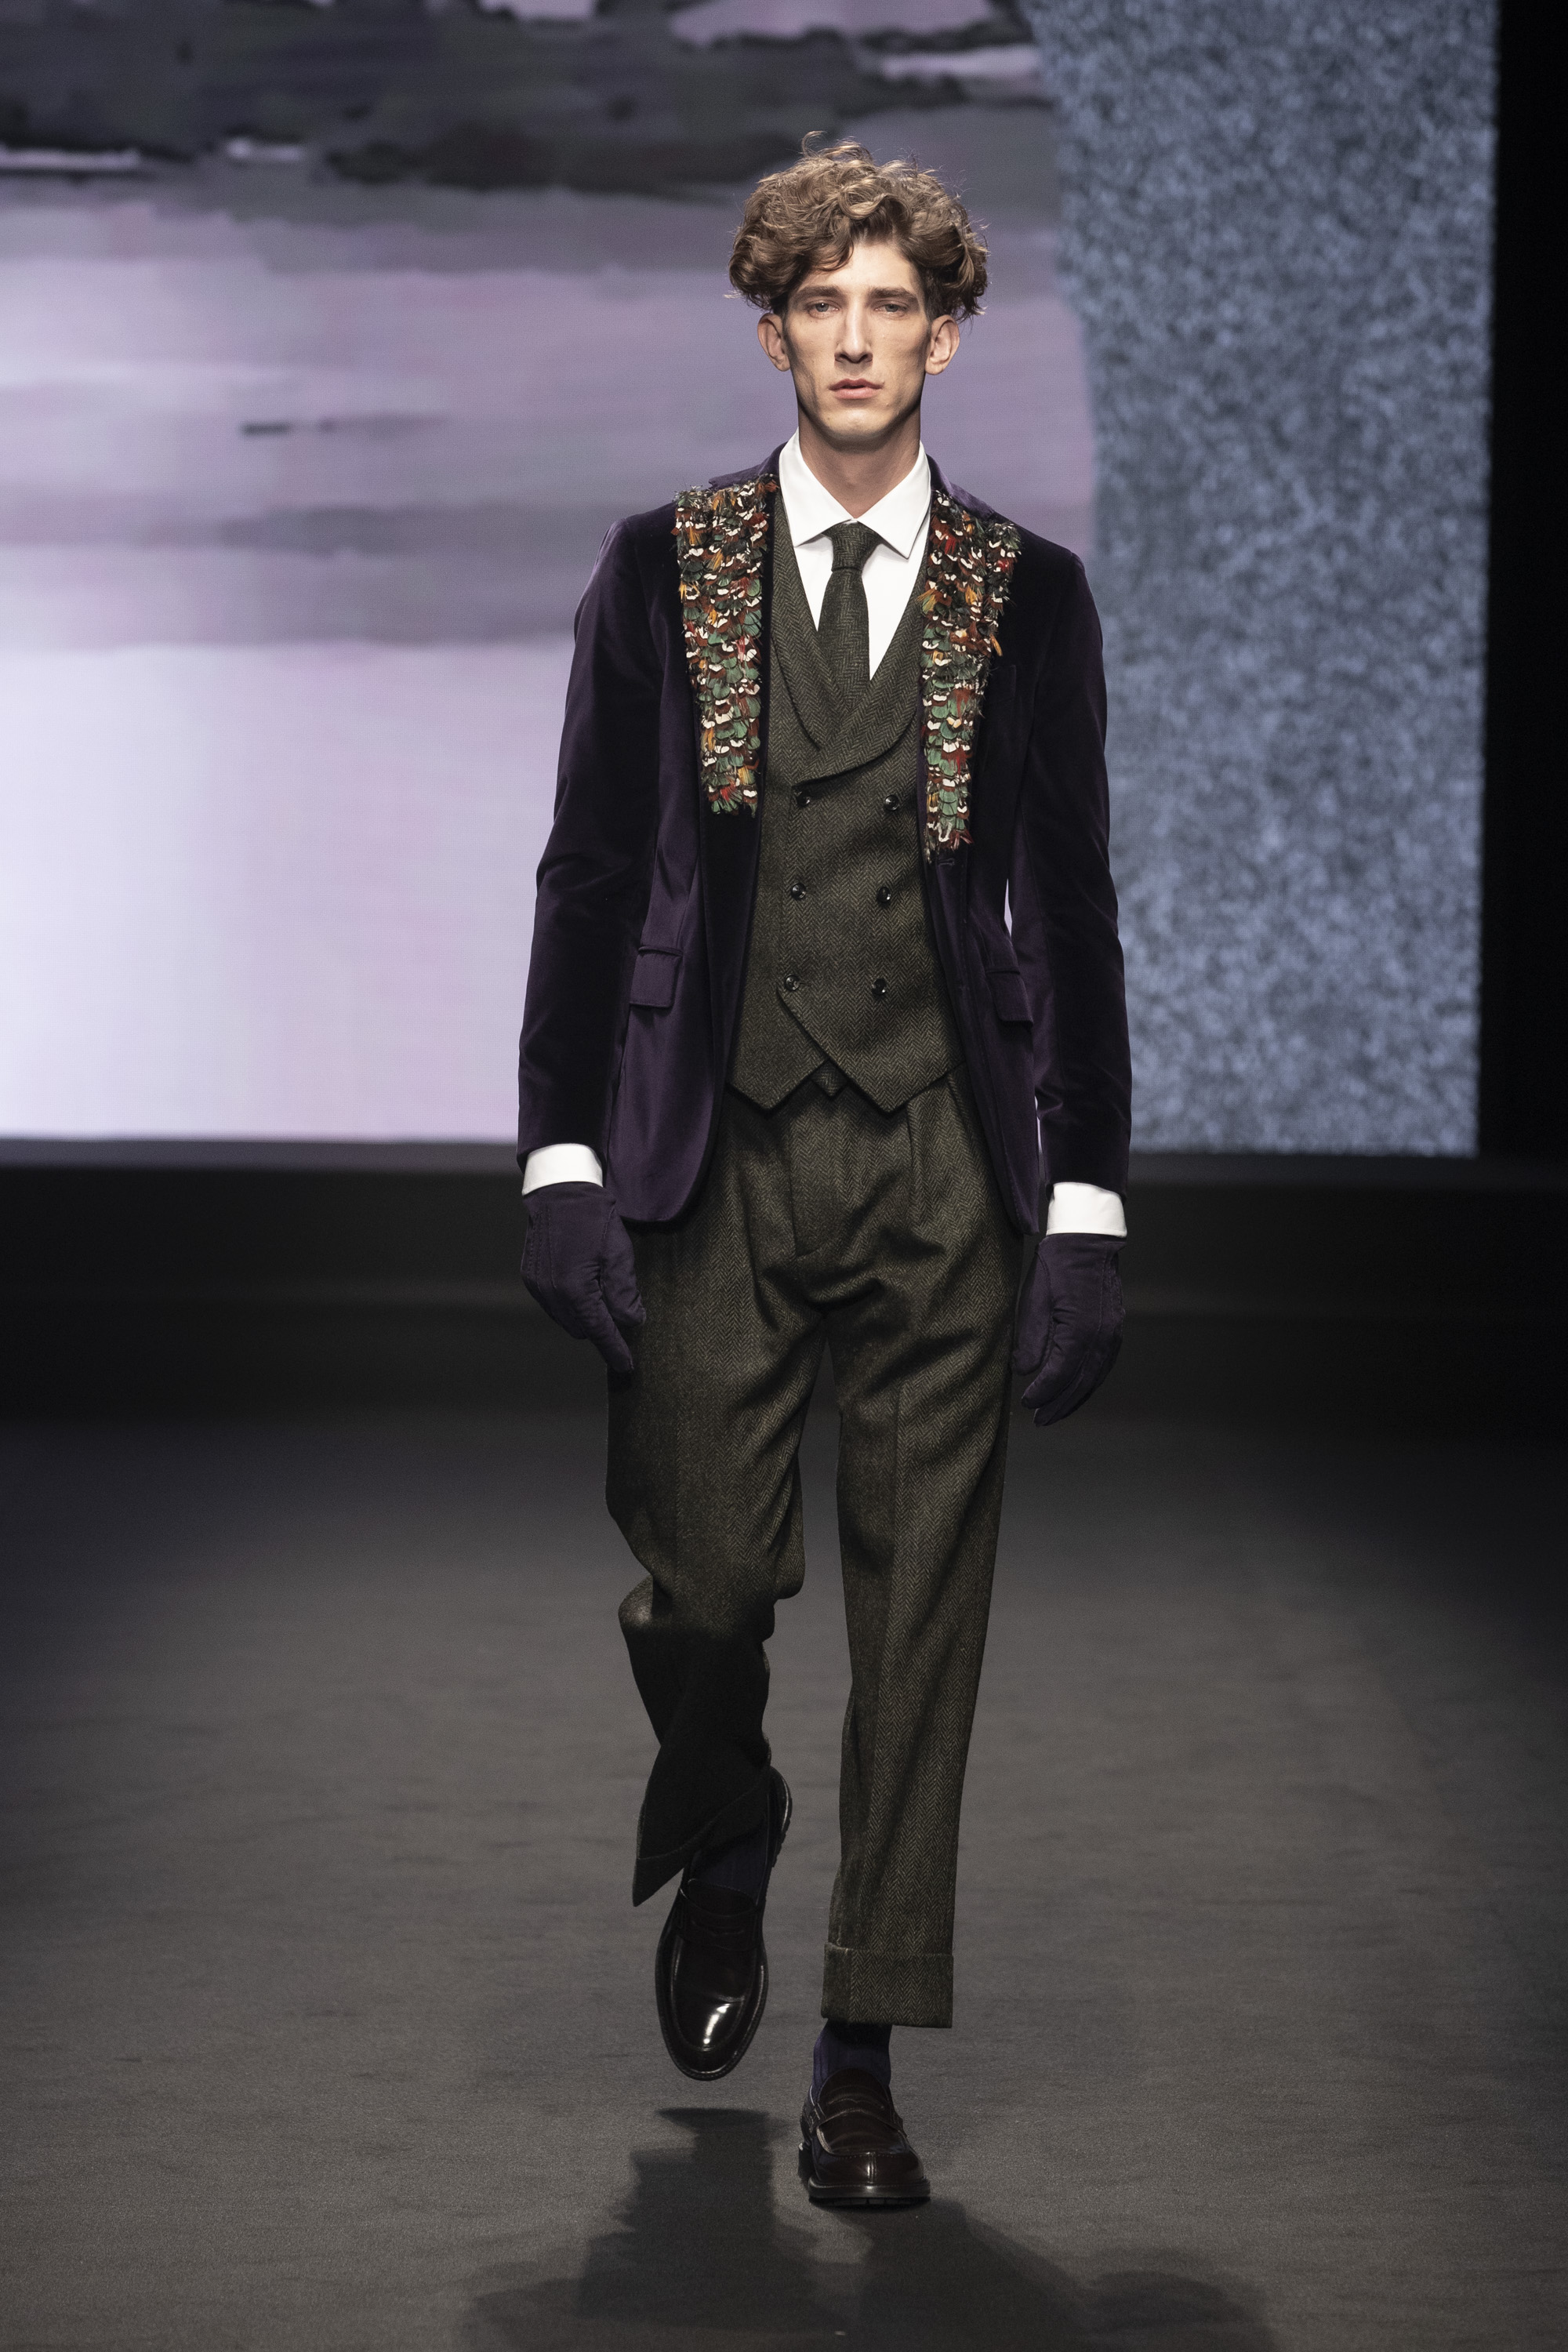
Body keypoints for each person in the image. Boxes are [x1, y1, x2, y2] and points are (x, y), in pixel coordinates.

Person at [517, 140, 1131, 2206]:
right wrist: (559, 1148)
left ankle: (860, 2055)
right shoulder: (664, 569)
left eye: (893, 306)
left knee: (925, 1621)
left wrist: (1087, 1198)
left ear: (945, 336)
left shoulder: (1025, 595)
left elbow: (1070, 907)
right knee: (704, 1587)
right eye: (822, 306)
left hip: (951, 1162)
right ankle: (726, 1819)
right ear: (772, 331)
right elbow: (593, 869)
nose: (857, 340)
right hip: (714, 1150)